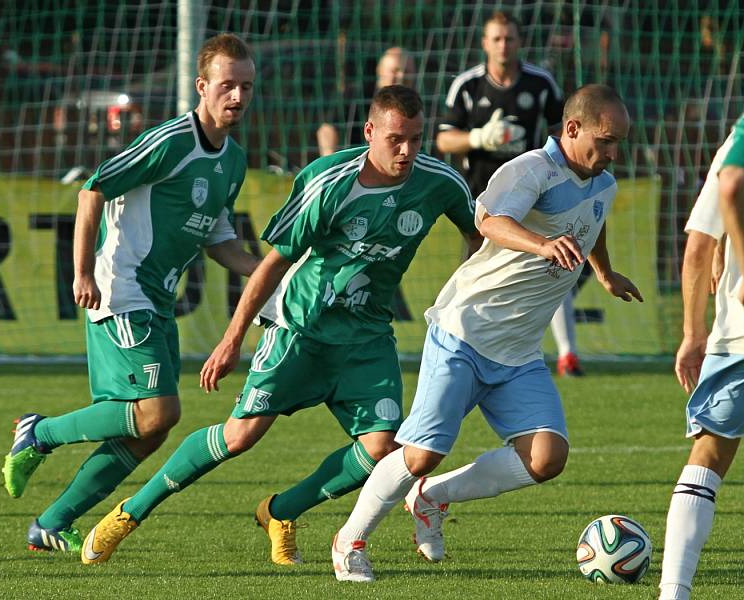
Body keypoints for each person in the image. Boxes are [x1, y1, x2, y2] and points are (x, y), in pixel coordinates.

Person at [80, 84, 482, 567]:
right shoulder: (326, 182)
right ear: (369, 131)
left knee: (382, 449)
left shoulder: (439, 182)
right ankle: (129, 513)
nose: (407, 152)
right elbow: (273, 265)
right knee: (239, 437)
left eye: (417, 140)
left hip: (368, 335)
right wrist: (231, 340)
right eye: (396, 138)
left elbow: (476, 233)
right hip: (300, 327)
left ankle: (281, 510)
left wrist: (464, 292)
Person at [331, 84, 642, 582]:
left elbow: (594, 218)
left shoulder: (602, 182)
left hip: (518, 353)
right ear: (572, 128)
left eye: (619, 143)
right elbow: (488, 220)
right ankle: (349, 540)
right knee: (420, 454)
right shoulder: (528, 171)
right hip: (465, 333)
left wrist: (603, 272)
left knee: (547, 457)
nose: (612, 153)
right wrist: (541, 245)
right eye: (605, 141)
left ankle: (432, 498)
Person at [0, 33, 260, 553]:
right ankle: (39, 431)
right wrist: (82, 272)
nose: (237, 97)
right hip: (121, 288)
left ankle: (52, 521)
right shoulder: (171, 142)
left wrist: (269, 275)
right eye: (227, 85)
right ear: (201, 86)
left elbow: (220, 240)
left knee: (148, 429)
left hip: (158, 299)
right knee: (159, 412)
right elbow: (92, 187)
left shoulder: (232, 160)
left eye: (246, 87)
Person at [434, 10, 582, 376]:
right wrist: (478, 138)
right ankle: (459, 338)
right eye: (496, 38)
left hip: (535, 193)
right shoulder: (467, 86)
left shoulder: (541, 83)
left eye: (510, 38)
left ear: (519, 42)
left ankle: (567, 354)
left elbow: (565, 135)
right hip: (481, 194)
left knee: (551, 263)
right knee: (477, 265)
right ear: (485, 43)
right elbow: (442, 138)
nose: (503, 45)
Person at [659, 115, 744, 600]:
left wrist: (693, 333)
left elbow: (699, 247)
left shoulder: (739, 138)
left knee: (710, 452)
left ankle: (675, 591)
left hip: (736, 334)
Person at [316, 46, 416, 157]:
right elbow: (327, 129)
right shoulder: (356, 94)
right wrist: (330, 160)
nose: (401, 76)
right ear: (380, 70)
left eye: (406, 71)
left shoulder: (419, 101)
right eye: (395, 70)